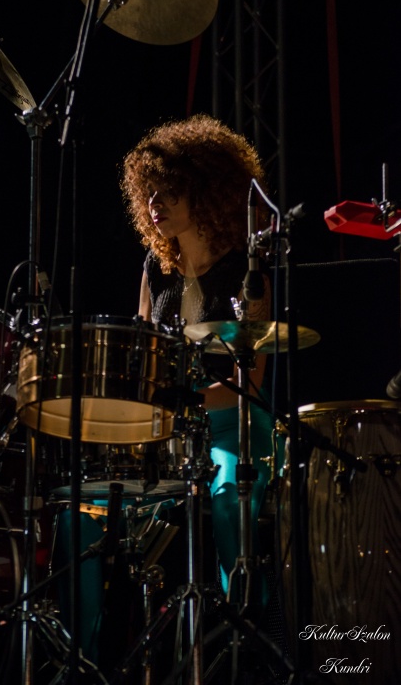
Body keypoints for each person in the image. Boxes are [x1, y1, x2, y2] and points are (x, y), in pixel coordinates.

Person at [121, 113, 275, 599]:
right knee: (81, 516)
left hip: (235, 427)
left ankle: (245, 624)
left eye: (169, 192)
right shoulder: (154, 266)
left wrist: (181, 405)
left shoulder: (248, 272)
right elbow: (142, 353)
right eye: (150, 193)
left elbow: (249, 384)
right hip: (166, 433)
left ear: (206, 194)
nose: (155, 203)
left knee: (230, 504)